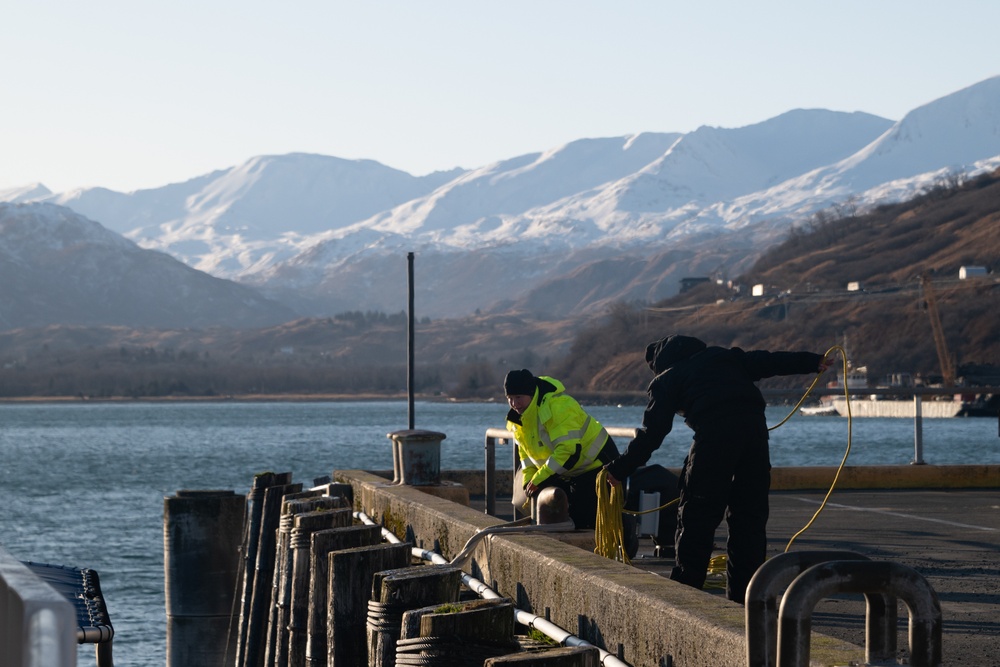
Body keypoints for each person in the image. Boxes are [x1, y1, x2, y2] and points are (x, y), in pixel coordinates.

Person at [603, 335, 833, 604]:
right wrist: (812, 361)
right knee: (749, 519)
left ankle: (685, 594)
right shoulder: (726, 357)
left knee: (697, 517)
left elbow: (652, 433)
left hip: (714, 440)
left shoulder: (667, 379)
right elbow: (769, 360)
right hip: (754, 438)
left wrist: (619, 469)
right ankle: (746, 599)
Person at [504, 369, 619, 529]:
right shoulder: (519, 418)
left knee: (583, 519)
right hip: (570, 469)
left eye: (518, 397)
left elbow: (569, 450)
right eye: (510, 398)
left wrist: (538, 480)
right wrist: (528, 482)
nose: (514, 404)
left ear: (531, 393)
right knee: (557, 516)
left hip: (599, 464)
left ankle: (624, 528)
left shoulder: (558, 406)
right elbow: (526, 455)